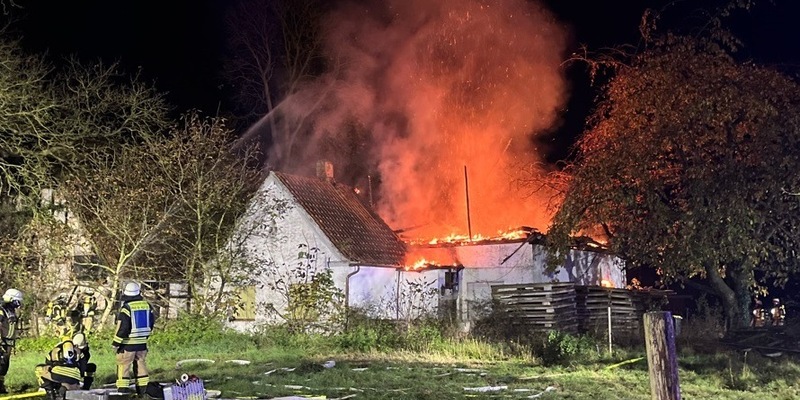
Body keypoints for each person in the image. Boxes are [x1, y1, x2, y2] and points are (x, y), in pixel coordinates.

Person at [113, 282, 155, 396]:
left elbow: (123, 328)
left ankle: (122, 392)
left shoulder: (126, 308)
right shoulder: (147, 306)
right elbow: (151, 323)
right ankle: (144, 392)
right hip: (142, 343)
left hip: (128, 344)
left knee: (124, 365)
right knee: (141, 364)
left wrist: (116, 343)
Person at [0, 288, 22, 394]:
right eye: (18, 301)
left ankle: (1, 385)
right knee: (1, 363)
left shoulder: (11, 310)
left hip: (9, 342)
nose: (19, 304)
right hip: (2, 341)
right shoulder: (2, 309)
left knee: (5, 365)